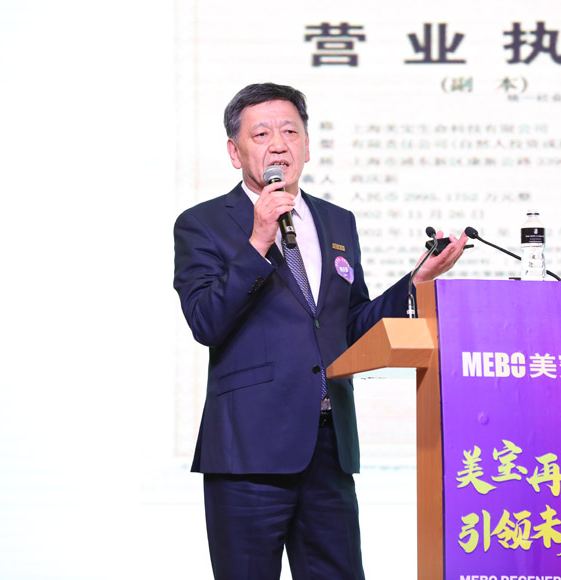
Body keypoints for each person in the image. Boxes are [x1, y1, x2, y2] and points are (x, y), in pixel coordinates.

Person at [173, 82, 468, 579]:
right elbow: (205, 321)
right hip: (248, 452)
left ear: (307, 145)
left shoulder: (336, 221)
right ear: (234, 152)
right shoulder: (202, 224)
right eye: (261, 134)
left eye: (290, 132)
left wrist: (416, 283)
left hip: (329, 446)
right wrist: (258, 241)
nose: (278, 145)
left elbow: (350, 325)